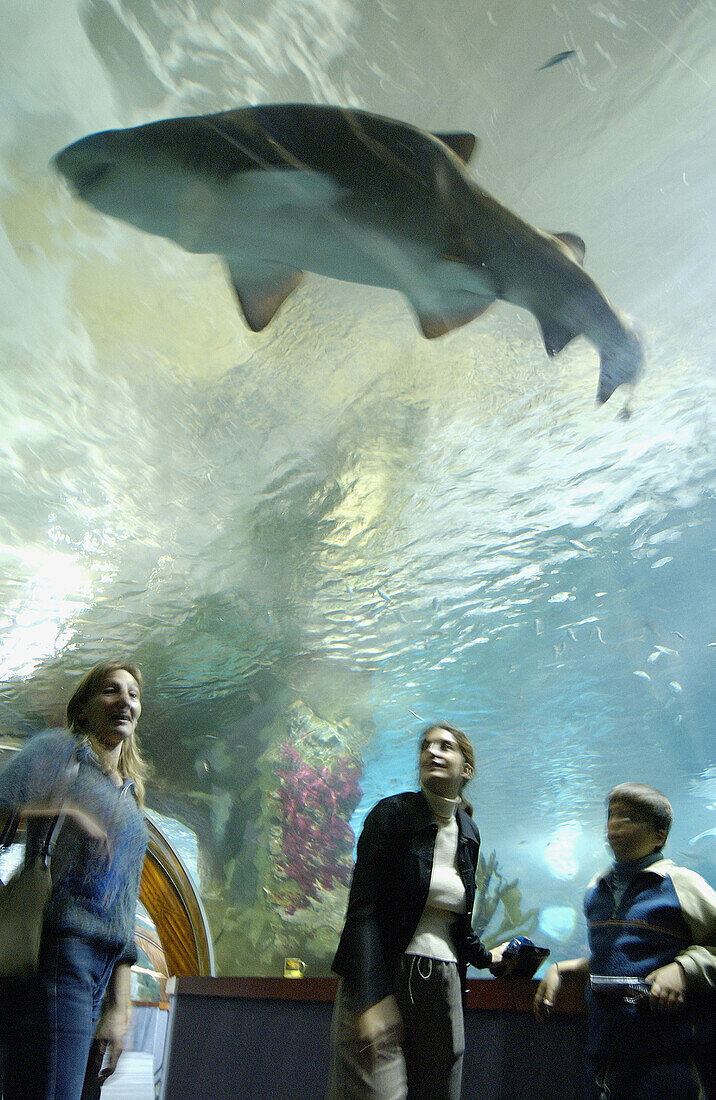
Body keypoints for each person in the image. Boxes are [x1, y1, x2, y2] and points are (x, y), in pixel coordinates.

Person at [327, 723, 510, 1100]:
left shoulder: (470, 833)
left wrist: (487, 957)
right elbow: (363, 911)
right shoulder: (391, 815)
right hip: (383, 974)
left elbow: (457, 921)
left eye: (446, 746)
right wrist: (372, 996)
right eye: (426, 746)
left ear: (466, 769)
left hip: (443, 984)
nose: (432, 751)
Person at [0, 660, 150, 1100]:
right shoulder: (57, 753)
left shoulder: (131, 794)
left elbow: (126, 907)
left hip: (103, 972)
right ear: (83, 709)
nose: (125, 701)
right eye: (110, 690)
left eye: (134, 694)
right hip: (60, 953)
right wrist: (67, 812)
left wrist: (121, 1007)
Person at [533, 782, 716, 1100]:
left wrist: (685, 969)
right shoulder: (596, 887)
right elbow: (615, 958)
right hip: (604, 1051)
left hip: (667, 1055)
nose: (615, 824)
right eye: (612, 816)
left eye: (630, 818)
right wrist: (562, 969)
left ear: (659, 836)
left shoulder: (682, 884)